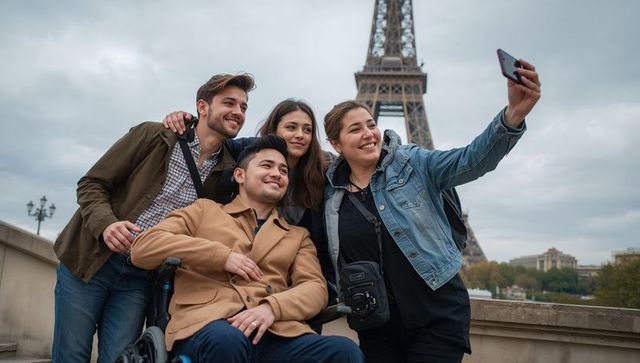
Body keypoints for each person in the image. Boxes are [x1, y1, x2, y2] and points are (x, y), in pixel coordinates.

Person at [322, 60, 541, 362]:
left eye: (371, 124)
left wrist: (514, 114)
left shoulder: (414, 163)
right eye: (355, 129)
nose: (369, 133)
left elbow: (471, 160)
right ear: (336, 144)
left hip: (436, 317)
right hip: (377, 324)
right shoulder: (330, 193)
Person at [52, 73, 256, 363]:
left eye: (244, 107)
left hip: (140, 276)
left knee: (119, 358)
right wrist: (107, 224)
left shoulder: (227, 172)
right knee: (71, 356)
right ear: (202, 106)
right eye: (229, 103)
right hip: (90, 261)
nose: (238, 112)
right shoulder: (153, 135)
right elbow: (91, 184)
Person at [130, 135, 364, 363]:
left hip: (275, 331)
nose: (277, 174)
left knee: (344, 351)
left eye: (283, 170)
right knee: (228, 340)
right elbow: (144, 247)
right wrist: (221, 257)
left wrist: (272, 308)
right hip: (208, 326)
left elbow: (315, 288)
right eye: (267, 165)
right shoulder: (204, 211)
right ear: (239, 175)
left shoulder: (297, 236)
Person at [163, 100, 335, 297]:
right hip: (236, 268)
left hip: (291, 270)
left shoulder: (324, 167)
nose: (300, 135)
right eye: (291, 127)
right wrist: (188, 120)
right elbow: (208, 138)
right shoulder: (246, 151)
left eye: (307, 130)